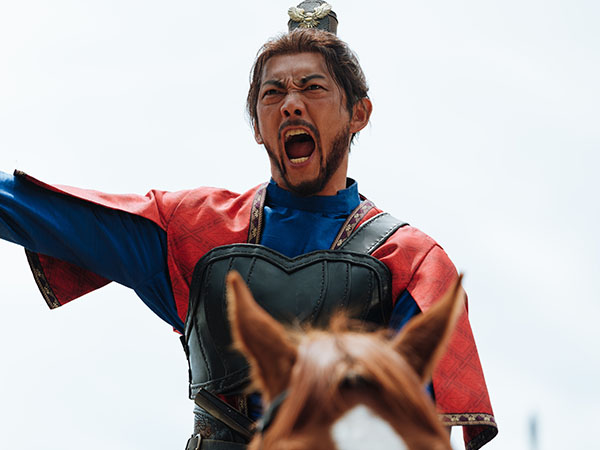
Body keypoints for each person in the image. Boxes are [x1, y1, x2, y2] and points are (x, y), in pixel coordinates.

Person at [0, 2, 497, 449]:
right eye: (272, 92)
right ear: (258, 126)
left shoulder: (412, 261)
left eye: (313, 87)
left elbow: (419, 429)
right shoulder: (195, 230)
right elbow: (39, 211)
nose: (291, 103)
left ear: (358, 114)